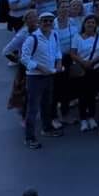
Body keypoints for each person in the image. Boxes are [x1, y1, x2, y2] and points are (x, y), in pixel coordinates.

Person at [20, 12, 62, 149]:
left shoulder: (54, 35)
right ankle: (29, 137)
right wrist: (39, 67)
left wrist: (59, 62)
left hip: (49, 75)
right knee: (32, 109)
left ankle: (47, 128)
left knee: (47, 104)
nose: (48, 23)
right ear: (39, 22)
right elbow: (24, 58)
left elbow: (57, 51)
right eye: (45, 21)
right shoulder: (32, 39)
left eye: (50, 21)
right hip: (35, 77)